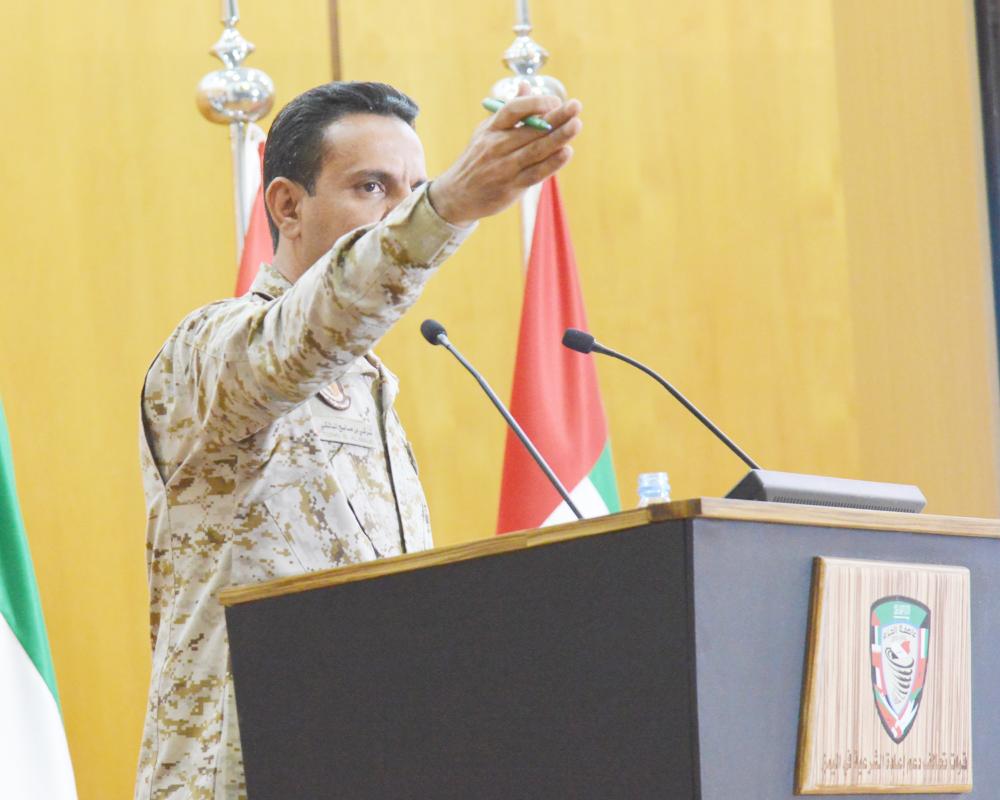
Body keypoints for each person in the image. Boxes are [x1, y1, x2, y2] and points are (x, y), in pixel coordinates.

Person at [134, 81, 582, 799]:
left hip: (370, 762)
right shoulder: (210, 349)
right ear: (287, 206)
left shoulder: (372, 385)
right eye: (372, 187)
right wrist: (445, 207)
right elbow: (303, 336)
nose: (399, 210)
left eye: (414, 191)